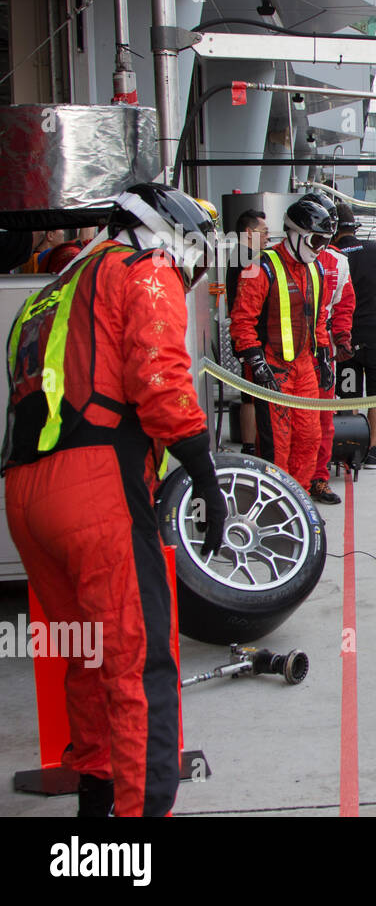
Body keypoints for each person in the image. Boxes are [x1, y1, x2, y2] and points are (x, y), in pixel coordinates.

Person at [3, 183, 225, 816]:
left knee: (85, 654)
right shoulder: (142, 268)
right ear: (168, 235)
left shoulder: (50, 293)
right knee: (141, 668)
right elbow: (158, 374)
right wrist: (204, 472)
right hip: (95, 490)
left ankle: (95, 807)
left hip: (25, 494)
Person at [229, 197, 332, 490]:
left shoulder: (316, 269)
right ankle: (277, 503)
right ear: (297, 234)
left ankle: (297, 499)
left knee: (310, 437)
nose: (320, 247)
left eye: (324, 241)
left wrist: (323, 357)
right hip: (273, 369)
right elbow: (241, 321)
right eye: (316, 240)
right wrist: (256, 363)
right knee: (277, 443)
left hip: (304, 368)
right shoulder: (260, 267)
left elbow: (319, 318)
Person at [333, 203, 376, 468]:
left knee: (349, 395)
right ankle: (374, 451)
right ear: (354, 226)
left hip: (343, 335)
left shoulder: (331, 255)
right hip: (374, 333)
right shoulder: (375, 250)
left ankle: (351, 452)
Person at [302, 193, 355, 505]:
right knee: (286, 424)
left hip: (320, 353)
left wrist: (342, 338)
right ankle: (287, 483)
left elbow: (344, 306)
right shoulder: (273, 260)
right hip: (282, 356)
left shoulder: (338, 262)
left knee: (321, 422)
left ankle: (318, 478)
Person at [226, 208, 269, 454]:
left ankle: (251, 444)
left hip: (248, 335)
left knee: (249, 392)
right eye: (263, 232)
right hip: (251, 336)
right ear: (249, 232)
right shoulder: (249, 259)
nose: (267, 237)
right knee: (251, 393)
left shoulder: (240, 256)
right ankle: (251, 445)